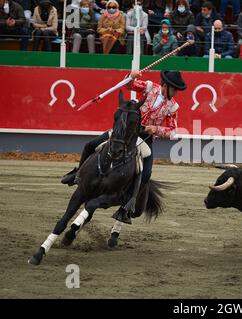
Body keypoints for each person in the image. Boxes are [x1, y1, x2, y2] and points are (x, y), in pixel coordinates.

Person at [61, 70, 187, 222]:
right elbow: (128, 85)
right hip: (125, 132)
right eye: (174, 89)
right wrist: (131, 76)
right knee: (90, 145)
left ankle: (127, 205)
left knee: (146, 174)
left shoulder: (173, 106)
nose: (176, 93)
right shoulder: (149, 87)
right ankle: (78, 175)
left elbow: (173, 131)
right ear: (165, 85)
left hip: (145, 138)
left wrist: (155, 129)